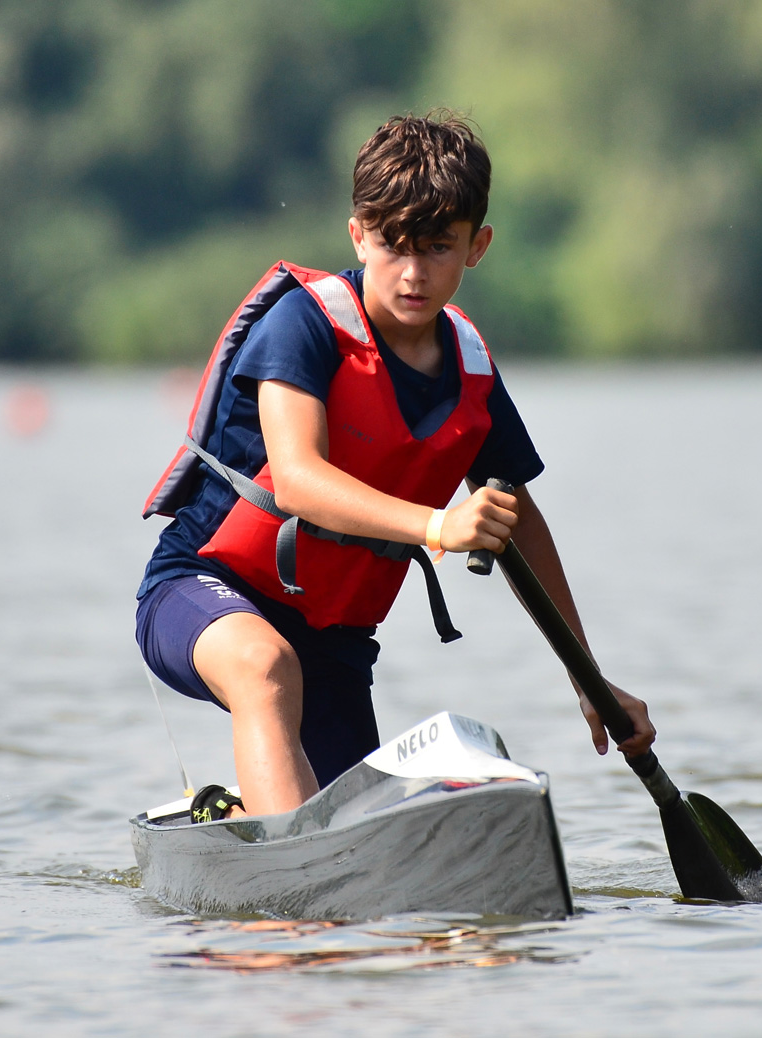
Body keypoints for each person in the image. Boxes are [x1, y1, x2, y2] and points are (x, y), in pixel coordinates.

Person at [137, 113, 653, 820]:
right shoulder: (304, 326)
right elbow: (297, 478)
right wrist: (441, 526)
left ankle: (244, 823)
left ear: (478, 247)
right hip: (202, 589)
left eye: (440, 248)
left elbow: (517, 522)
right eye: (392, 246)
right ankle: (293, 875)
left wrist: (588, 679)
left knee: (352, 837)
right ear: (357, 234)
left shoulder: (471, 369)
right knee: (265, 668)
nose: (413, 273)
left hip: (334, 649)